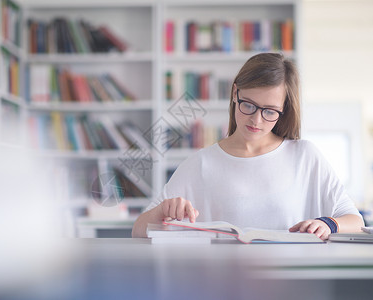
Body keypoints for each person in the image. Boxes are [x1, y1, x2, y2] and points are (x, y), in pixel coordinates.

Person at [132, 52, 364, 239]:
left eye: (270, 111)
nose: (256, 120)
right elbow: (138, 230)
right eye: (249, 105)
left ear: (283, 110)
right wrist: (163, 211)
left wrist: (328, 224)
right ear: (235, 93)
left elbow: (354, 221)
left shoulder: (305, 156)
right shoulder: (201, 163)